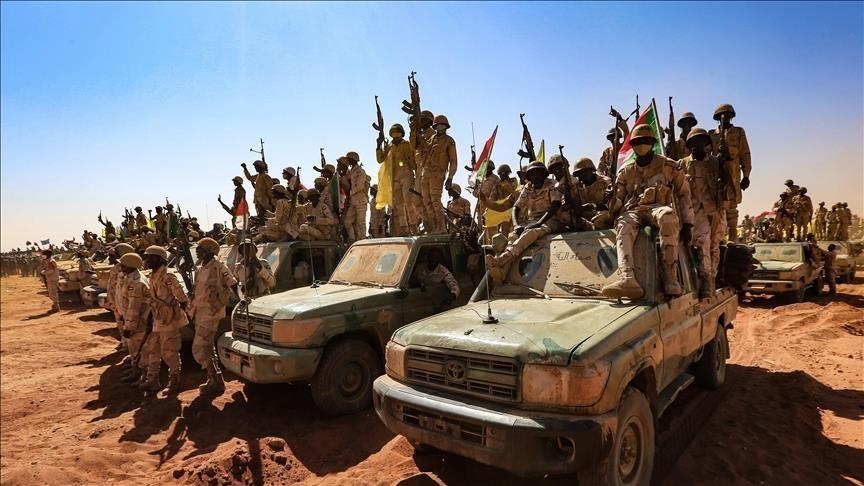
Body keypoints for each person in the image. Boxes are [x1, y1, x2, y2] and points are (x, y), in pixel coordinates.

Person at [602, 123, 694, 299]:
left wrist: (688, 223)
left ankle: (670, 277)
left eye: (645, 141)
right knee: (623, 223)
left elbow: (684, 194)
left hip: (657, 208)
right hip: (635, 210)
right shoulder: (626, 171)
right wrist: (610, 199)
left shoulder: (668, 165)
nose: (641, 145)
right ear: (632, 145)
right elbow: (618, 202)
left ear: (652, 143)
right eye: (637, 142)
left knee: (668, 217)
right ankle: (627, 278)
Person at [486, 161, 563, 278]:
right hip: (532, 221)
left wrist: (539, 223)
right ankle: (502, 272)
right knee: (512, 236)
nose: (535, 177)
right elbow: (516, 207)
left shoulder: (552, 184)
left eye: (538, 173)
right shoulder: (528, 187)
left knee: (530, 233)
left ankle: (501, 260)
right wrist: (516, 225)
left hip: (551, 220)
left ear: (544, 174)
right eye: (532, 174)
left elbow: (555, 205)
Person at [188, 237, 237, 396]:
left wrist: (244, 300)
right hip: (199, 311)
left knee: (200, 347)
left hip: (211, 311)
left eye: (200, 249)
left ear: (209, 251)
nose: (197, 251)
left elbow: (233, 283)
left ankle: (216, 379)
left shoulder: (219, 266)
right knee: (208, 346)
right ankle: (215, 380)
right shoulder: (199, 268)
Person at [679, 128, 724, 297]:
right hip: (696, 211)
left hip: (716, 210)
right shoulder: (683, 164)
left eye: (700, 142)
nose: (696, 146)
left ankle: (712, 277)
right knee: (703, 244)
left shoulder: (716, 162)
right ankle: (706, 281)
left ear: (707, 144)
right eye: (692, 143)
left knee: (714, 246)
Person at [140, 245, 187, 394]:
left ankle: (175, 381)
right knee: (152, 349)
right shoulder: (152, 276)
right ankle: (152, 381)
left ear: (159, 259)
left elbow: (182, 298)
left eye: (150, 257)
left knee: (169, 351)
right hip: (157, 318)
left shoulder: (168, 276)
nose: (147, 260)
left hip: (168, 320)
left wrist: (176, 314)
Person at [709, 103, 751, 242]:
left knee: (732, 209)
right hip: (717, 175)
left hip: (733, 174)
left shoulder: (738, 132)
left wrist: (746, 176)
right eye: (722, 115)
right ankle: (719, 240)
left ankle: (733, 239)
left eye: (727, 115)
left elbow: (745, 154)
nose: (725, 117)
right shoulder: (712, 134)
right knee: (718, 208)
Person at [377, 123, 419, 236]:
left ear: (401, 133)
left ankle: (414, 227)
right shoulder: (389, 146)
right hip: (394, 176)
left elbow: (413, 161)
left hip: (406, 174)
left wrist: (416, 175)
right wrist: (378, 146)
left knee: (408, 202)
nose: (395, 134)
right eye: (393, 133)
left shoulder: (407, 144)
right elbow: (380, 159)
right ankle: (404, 229)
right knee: (399, 204)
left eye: (397, 132)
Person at [118, 252, 152, 387]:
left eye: (123, 265)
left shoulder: (137, 282)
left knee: (139, 349)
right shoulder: (130, 278)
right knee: (134, 348)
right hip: (134, 320)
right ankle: (135, 370)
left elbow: (134, 307)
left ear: (131, 265)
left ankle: (143, 376)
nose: (121, 267)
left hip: (139, 322)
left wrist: (129, 327)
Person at [421, 115, 458, 234]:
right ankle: (434, 226)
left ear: (446, 127)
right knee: (426, 200)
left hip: (438, 175)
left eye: (442, 126)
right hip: (426, 174)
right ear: (435, 127)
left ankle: (441, 227)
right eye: (438, 126)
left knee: (435, 200)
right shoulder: (431, 139)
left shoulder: (449, 141)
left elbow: (453, 161)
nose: (440, 128)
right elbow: (423, 150)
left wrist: (450, 177)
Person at [572, 157, 612, 229]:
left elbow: (614, 204)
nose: (580, 176)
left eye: (583, 173)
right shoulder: (577, 187)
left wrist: (595, 206)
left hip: (603, 214)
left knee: (600, 218)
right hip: (586, 216)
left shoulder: (605, 182)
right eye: (578, 174)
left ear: (591, 170)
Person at [342, 151, 370, 243]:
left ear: (353, 159)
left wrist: (350, 192)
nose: (348, 161)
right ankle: (353, 240)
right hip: (353, 201)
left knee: (361, 223)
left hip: (361, 200)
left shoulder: (360, 171)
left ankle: (362, 241)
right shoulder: (351, 171)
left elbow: (360, 186)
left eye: (349, 159)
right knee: (347, 222)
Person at [473, 161, 500, 243]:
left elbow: (498, 194)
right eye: (485, 168)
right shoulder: (481, 179)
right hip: (481, 209)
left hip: (491, 208)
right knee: (482, 230)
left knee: (492, 231)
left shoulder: (495, 179)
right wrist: (476, 186)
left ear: (492, 168)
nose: (486, 170)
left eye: (488, 168)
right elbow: (475, 194)